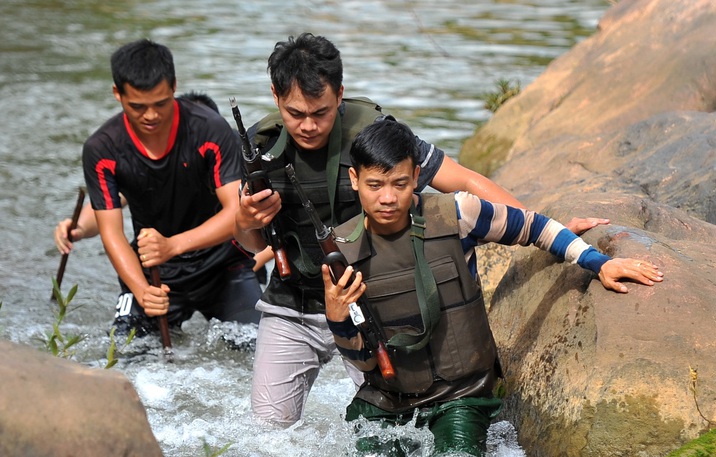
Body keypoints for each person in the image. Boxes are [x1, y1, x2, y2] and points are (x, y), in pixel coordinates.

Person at [233, 32, 609, 426]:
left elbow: (460, 181)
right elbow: (251, 245)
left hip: (373, 302)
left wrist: (542, 226)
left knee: (404, 425)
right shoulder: (260, 145)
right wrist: (245, 221)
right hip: (293, 304)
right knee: (268, 435)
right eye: (296, 114)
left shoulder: (375, 134)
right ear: (276, 97)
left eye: (321, 112)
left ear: (340, 94)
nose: (308, 125)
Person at [321, 119, 664, 456]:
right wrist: (337, 319)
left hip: (460, 396)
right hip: (388, 401)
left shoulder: (457, 213)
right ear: (354, 179)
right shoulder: (341, 251)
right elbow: (363, 363)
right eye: (375, 185)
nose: (388, 198)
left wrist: (598, 262)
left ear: (415, 177)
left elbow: (535, 228)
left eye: (399, 183)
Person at [78, 39, 262, 339]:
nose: (151, 116)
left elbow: (236, 214)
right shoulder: (102, 149)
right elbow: (111, 233)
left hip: (221, 265)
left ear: (174, 86)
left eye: (161, 103)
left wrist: (172, 246)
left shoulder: (210, 129)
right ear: (117, 94)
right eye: (137, 106)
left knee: (256, 347)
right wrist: (141, 290)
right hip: (153, 272)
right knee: (126, 353)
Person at [54, 91, 272, 285]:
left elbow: (274, 233)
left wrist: (252, 263)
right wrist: (80, 228)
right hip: (167, 262)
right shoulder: (163, 158)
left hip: (231, 258)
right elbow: (112, 201)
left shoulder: (233, 154)